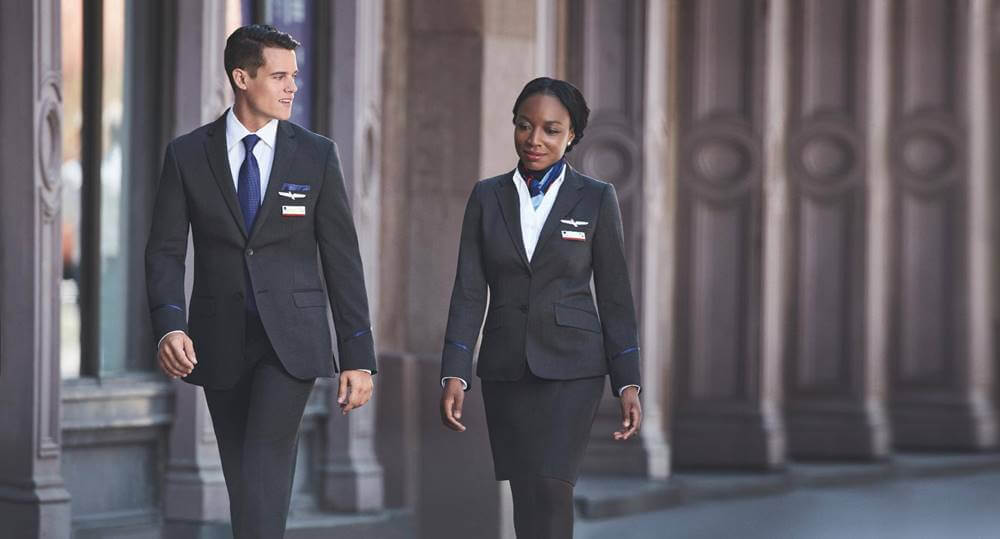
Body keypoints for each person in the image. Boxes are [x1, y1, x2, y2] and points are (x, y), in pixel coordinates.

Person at [145, 24, 375, 538]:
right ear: (241, 77)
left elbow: (342, 258)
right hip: (218, 337)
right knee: (242, 474)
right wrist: (168, 326)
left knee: (263, 462)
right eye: (279, 76)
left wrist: (358, 354)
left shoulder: (316, 154)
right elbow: (163, 252)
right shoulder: (187, 155)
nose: (292, 87)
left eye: (294, 76)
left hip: (291, 341)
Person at [439, 77, 642, 538]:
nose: (535, 140)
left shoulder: (595, 197)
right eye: (524, 126)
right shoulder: (486, 196)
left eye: (551, 129)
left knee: (552, 486)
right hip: (506, 366)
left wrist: (627, 380)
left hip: (575, 367)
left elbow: (614, 296)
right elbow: (469, 290)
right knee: (526, 491)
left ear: (572, 135)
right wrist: (455, 370)